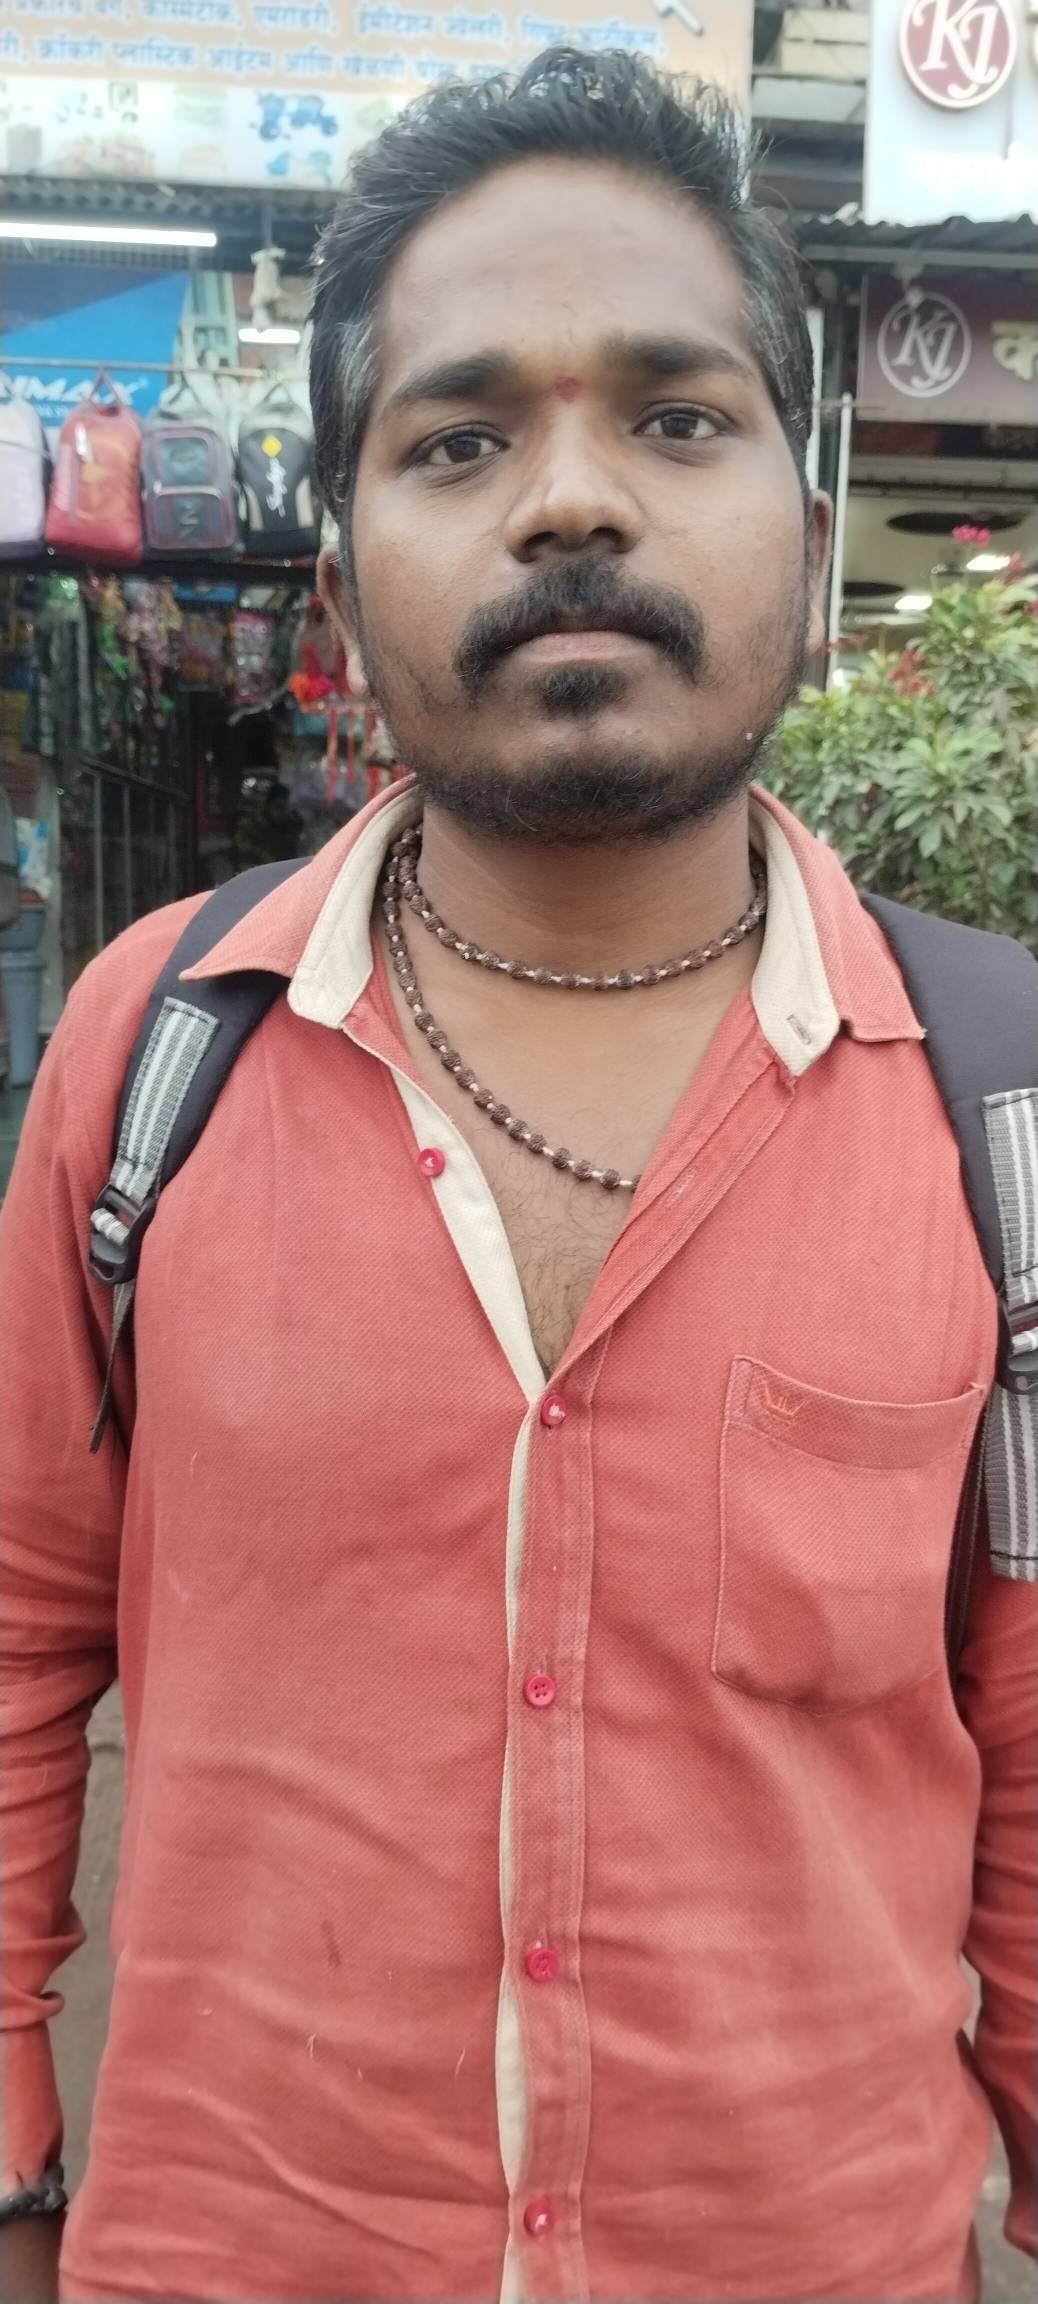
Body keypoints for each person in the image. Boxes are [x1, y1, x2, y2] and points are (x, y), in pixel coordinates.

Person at [1, 47, 1035, 2304]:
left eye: (675, 416)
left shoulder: (1002, 1110)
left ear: (805, 511)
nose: (571, 503)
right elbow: (15, 1628)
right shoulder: (154, 1056)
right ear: (340, 560)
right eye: (458, 440)